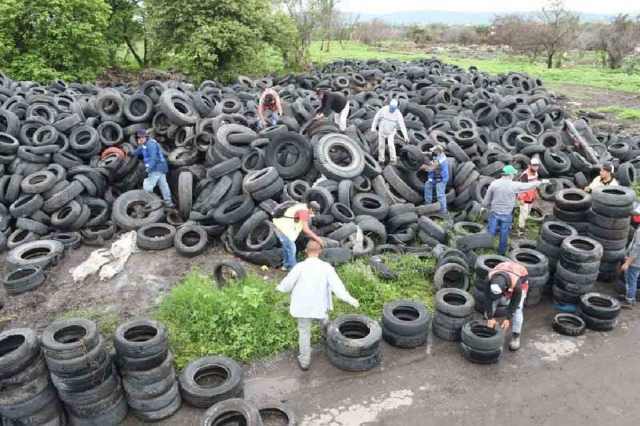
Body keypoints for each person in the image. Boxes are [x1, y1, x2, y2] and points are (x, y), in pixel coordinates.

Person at [276, 240, 360, 371]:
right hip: (320, 305)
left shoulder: (299, 267)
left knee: (304, 332)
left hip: (302, 307)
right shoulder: (326, 267)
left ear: (305, 252)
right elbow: (338, 288)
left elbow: (286, 286)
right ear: (320, 251)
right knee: (325, 321)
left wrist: (278, 288)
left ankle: (305, 361)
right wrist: (350, 299)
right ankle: (328, 341)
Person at [481, 165, 541, 256]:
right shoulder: (514, 185)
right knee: (504, 233)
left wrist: (483, 206)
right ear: (509, 175)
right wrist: (539, 183)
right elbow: (528, 186)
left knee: (491, 231)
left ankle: (485, 249)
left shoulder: (494, 183)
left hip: (494, 213)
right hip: (506, 214)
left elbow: (487, 198)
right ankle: (501, 252)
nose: (514, 176)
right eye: (513, 174)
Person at [484, 261, 529, 351]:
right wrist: (490, 317)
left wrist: (508, 319)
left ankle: (516, 336)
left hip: (520, 278)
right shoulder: (489, 278)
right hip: (505, 273)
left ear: (505, 289)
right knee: (492, 302)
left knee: (517, 310)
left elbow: (514, 303)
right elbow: (487, 298)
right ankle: (489, 322)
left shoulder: (517, 285)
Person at [272, 201, 325, 271]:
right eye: (314, 212)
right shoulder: (303, 212)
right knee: (292, 248)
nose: (314, 214)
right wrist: (318, 239)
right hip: (281, 228)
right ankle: (294, 270)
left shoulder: (302, 206)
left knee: (287, 247)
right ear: (311, 209)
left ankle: (286, 265)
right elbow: (306, 229)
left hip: (280, 225)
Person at [130, 129, 174, 208]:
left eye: (142, 137)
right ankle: (169, 203)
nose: (140, 139)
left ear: (146, 137)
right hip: (160, 168)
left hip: (156, 167)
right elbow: (140, 150)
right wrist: (132, 153)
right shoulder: (144, 144)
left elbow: (154, 158)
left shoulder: (151, 144)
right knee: (163, 186)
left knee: (147, 186)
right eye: (139, 138)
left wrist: (149, 169)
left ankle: (147, 205)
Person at [370, 99, 410, 165]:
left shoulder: (398, 114)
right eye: (391, 108)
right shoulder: (383, 110)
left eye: (393, 108)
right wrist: (373, 128)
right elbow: (376, 119)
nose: (392, 109)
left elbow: (402, 126)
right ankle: (381, 160)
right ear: (389, 106)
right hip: (382, 131)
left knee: (391, 146)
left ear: (396, 108)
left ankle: (393, 161)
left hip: (391, 132)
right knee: (381, 146)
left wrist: (406, 137)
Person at [516, 156, 540, 236]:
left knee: (526, 214)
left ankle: (522, 226)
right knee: (524, 215)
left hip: (531, 198)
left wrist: (536, 194)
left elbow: (535, 184)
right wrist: (521, 198)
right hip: (524, 198)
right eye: (534, 165)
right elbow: (520, 187)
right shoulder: (525, 175)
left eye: (537, 165)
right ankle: (520, 229)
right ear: (529, 166)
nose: (535, 167)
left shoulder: (536, 173)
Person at [421, 145, 449, 214]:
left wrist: (422, 167)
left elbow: (430, 169)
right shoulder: (439, 154)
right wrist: (419, 153)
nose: (432, 152)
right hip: (434, 177)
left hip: (441, 179)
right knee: (427, 186)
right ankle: (428, 206)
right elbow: (429, 153)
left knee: (440, 195)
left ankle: (443, 212)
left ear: (438, 152)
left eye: (433, 151)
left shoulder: (439, 161)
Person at [621, 213, 640, 309]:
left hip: (635, 261)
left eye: (638, 215)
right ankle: (628, 296)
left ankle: (629, 300)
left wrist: (627, 263)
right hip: (636, 261)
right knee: (630, 278)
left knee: (631, 280)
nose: (636, 216)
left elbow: (637, 248)